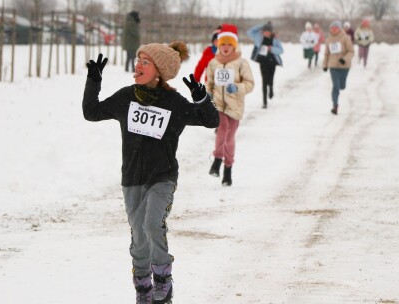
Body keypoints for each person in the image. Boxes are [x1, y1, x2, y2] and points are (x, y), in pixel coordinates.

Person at [82, 42, 219, 303]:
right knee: (139, 234)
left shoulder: (174, 103)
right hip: (132, 178)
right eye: (138, 60)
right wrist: (93, 81)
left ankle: (163, 279)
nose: (138, 65)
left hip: (162, 177)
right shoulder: (126, 97)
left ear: (159, 71)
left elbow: (211, 120)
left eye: (146, 61)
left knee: (152, 223)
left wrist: (202, 99)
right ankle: (143, 285)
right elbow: (91, 112)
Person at [206, 24, 254, 186]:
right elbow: (209, 82)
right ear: (219, 45)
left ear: (234, 45)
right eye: (223, 44)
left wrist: (237, 88)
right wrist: (208, 93)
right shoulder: (213, 63)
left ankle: (227, 169)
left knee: (230, 137)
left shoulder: (241, 63)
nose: (226, 47)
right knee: (222, 129)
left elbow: (250, 83)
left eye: (229, 44)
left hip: (235, 106)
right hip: (218, 105)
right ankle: (217, 160)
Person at [247, 21, 283, 109]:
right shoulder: (258, 37)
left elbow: (281, 50)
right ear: (263, 31)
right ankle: (264, 102)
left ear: (271, 32)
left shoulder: (275, 39)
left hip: (272, 61)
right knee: (264, 80)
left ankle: (271, 88)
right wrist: (262, 26)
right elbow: (249, 32)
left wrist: (272, 49)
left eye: (268, 31)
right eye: (265, 31)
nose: (267, 33)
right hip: (263, 61)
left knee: (270, 78)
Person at [323, 20, 354, 115]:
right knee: (335, 86)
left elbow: (351, 51)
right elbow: (326, 54)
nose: (334, 29)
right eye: (332, 28)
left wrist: (344, 59)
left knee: (342, 86)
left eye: (336, 28)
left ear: (339, 29)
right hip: (333, 66)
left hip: (344, 66)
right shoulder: (328, 40)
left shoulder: (345, 38)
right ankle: (335, 105)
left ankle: (342, 86)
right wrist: (325, 65)